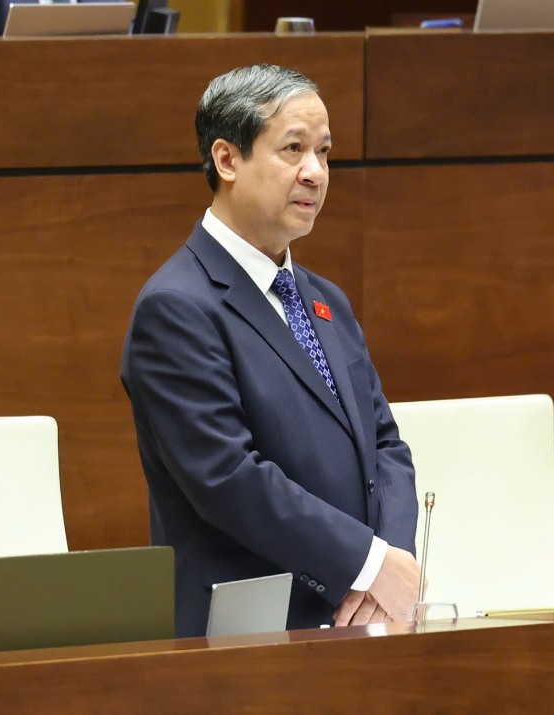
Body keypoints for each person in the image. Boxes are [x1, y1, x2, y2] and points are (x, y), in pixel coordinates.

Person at [121, 64, 420, 637]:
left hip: (358, 617)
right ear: (228, 160)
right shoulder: (176, 307)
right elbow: (228, 478)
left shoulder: (324, 299)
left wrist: (391, 568)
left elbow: (385, 445)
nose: (316, 173)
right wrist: (367, 564)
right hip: (248, 632)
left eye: (325, 153)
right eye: (293, 149)